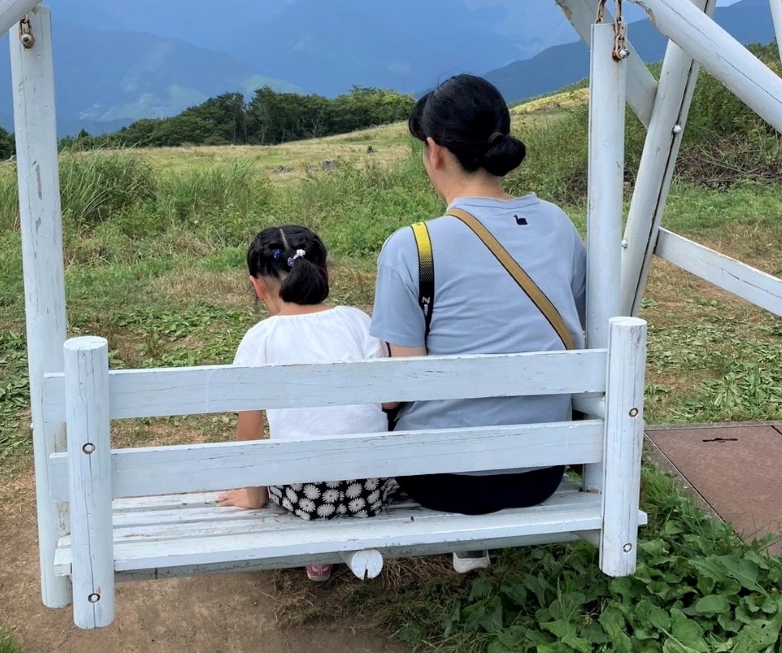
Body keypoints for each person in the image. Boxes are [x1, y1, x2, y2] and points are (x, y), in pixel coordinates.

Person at [370, 74, 586, 523]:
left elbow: (395, 393)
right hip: (541, 471)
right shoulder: (558, 225)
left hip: (441, 478)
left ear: (434, 151)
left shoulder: (414, 246)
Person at [218, 224, 397, 582]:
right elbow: (389, 402)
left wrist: (255, 498)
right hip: (369, 492)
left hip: (304, 498)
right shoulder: (358, 321)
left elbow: (250, 430)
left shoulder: (261, 338)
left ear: (257, 286)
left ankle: (320, 551)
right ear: (325, 273)